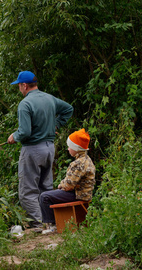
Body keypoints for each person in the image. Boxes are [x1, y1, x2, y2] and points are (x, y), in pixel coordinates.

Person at [7, 70, 73, 228]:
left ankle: (40, 225)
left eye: (19, 86)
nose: (19, 89)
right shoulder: (49, 98)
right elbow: (68, 109)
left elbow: (25, 132)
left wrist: (14, 137)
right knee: (46, 187)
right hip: (49, 148)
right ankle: (51, 223)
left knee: (27, 191)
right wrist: (56, 125)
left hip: (33, 150)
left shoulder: (25, 104)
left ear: (24, 86)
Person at [39, 128, 96, 234]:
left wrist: (61, 186)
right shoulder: (87, 160)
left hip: (77, 194)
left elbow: (69, 185)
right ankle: (53, 224)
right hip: (84, 194)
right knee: (50, 194)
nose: (68, 149)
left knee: (44, 196)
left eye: (70, 146)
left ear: (76, 148)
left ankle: (53, 226)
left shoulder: (79, 163)